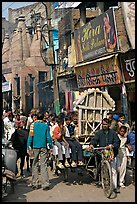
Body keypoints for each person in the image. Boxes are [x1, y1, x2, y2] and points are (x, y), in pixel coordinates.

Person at [89, 118, 120, 195]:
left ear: (109, 125)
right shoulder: (99, 133)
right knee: (102, 167)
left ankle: (114, 187)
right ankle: (102, 180)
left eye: (106, 124)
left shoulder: (113, 133)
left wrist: (113, 145)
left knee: (113, 171)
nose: (104, 125)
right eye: (103, 124)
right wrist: (92, 145)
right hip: (103, 153)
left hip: (112, 154)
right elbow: (95, 140)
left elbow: (117, 142)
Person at [27, 112, 53, 190]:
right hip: (43, 147)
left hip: (35, 147)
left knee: (35, 164)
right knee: (43, 165)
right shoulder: (45, 126)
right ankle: (45, 184)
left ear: (36, 117)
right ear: (43, 118)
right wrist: (50, 146)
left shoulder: (32, 125)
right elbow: (48, 137)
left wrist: (28, 146)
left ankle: (35, 183)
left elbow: (30, 136)